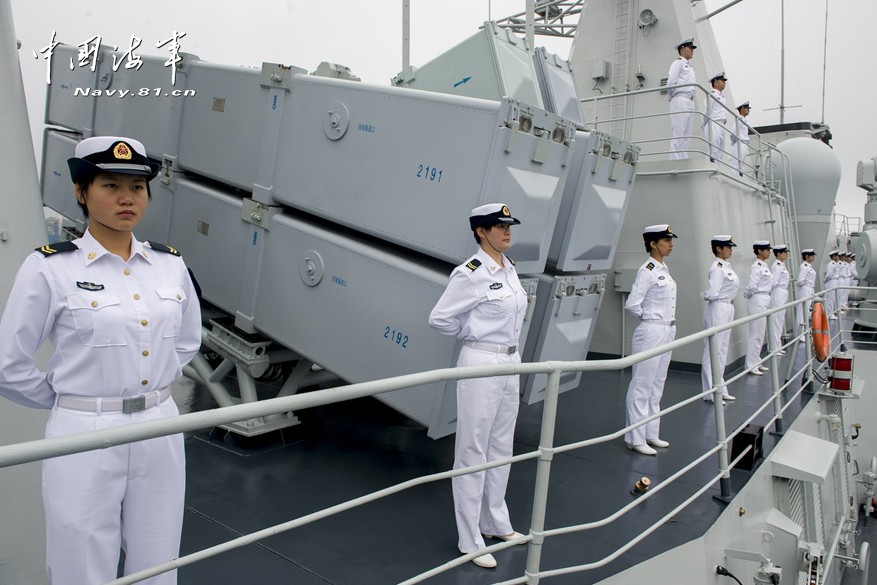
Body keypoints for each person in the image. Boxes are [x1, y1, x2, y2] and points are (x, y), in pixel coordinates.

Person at [0, 136, 202, 585]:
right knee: (81, 560)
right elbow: (8, 363)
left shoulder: (171, 266)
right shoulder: (51, 267)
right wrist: (67, 400)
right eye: (110, 185)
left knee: (159, 559)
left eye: (137, 186)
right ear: (80, 192)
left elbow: (187, 342)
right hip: (84, 433)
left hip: (160, 425)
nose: (127, 197)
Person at [428, 203, 529, 569]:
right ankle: (469, 539)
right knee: (473, 449)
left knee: (501, 446)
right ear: (480, 232)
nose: (506, 232)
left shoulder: (510, 268)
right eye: (498, 226)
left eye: (508, 226)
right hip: (481, 363)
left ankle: (494, 521)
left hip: (510, 363)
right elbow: (439, 318)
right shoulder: (470, 273)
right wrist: (470, 336)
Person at [624, 224, 677, 455]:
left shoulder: (664, 270)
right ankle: (635, 438)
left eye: (670, 240)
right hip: (651, 331)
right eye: (665, 240)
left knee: (657, 384)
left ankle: (650, 433)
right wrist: (649, 319)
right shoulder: (647, 270)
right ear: (653, 243)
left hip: (667, 330)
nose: (670, 244)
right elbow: (632, 304)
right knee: (642, 385)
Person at [700, 235, 739, 404]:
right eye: (728, 247)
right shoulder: (717, 267)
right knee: (713, 351)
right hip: (718, 308)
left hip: (727, 308)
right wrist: (704, 295)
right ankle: (710, 392)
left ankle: (720, 388)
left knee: (722, 350)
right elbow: (714, 293)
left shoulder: (727, 266)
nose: (730, 249)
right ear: (718, 249)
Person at [743, 240, 772, 375]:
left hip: (764, 298)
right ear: (759, 251)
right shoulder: (757, 266)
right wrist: (750, 296)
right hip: (758, 299)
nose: (769, 251)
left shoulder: (764, 265)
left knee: (760, 334)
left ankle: (756, 360)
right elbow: (751, 286)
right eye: (766, 249)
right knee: (755, 333)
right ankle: (750, 365)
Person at [667, 37, 697, 160]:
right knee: (679, 131)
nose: (692, 50)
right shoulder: (678, 63)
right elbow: (671, 83)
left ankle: (682, 159)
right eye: (690, 48)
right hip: (680, 98)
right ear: (683, 48)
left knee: (686, 134)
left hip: (689, 100)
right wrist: (672, 96)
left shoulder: (690, 67)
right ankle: (674, 160)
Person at [768, 244, 791, 356]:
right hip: (777, 292)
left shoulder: (781, 265)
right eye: (784, 252)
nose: (786, 254)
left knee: (780, 320)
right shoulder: (776, 266)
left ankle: (778, 346)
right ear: (778, 254)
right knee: (776, 320)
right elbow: (773, 282)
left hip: (782, 292)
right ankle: (774, 347)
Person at [702, 72, 728, 162]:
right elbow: (706, 111)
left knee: (720, 151)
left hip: (722, 125)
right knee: (713, 150)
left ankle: (717, 169)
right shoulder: (712, 95)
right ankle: (709, 169)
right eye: (722, 80)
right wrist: (704, 125)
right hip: (714, 123)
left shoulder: (722, 97)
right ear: (715, 82)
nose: (724, 82)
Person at [796, 248, 817, 327]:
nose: (813, 257)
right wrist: (806, 286)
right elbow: (800, 281)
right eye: (811, 256)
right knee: (802, 312)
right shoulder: (804, 266)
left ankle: (805, 332)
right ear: (807, 256)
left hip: (809, 289)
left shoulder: (809, 266)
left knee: (806, 311)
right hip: (805, 289)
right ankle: (801, 334)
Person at [730, 100, 751, 173]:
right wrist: (735, 141)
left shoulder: (744, 120)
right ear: (742, 108)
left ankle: (740, 178)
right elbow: (733, 132)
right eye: (747, 108)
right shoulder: (739, 119)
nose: (748, 110)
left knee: (742, 166)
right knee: (737, 165)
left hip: (744, 143)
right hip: (739, 143)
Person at [824, 249, 841, 319]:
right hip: (831, 282)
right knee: (830, 298)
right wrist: (825, 280)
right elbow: (829, 275)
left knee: (833, 298)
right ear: (833, 256)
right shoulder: (832, 264)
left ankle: (832, 312)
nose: (838, 257)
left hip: (834, 281)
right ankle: (829, 314)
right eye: (836, 255)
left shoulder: (834, 264)